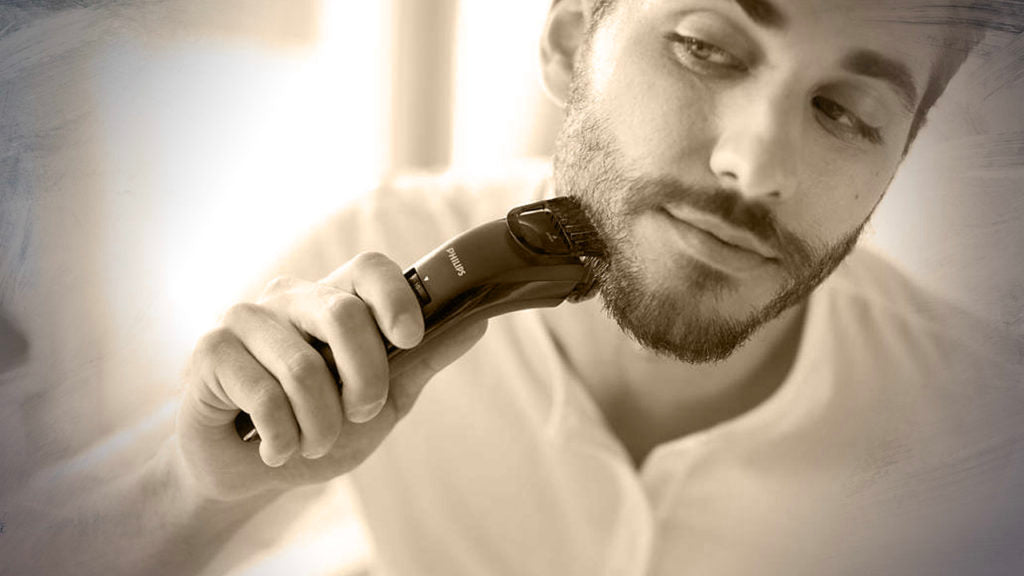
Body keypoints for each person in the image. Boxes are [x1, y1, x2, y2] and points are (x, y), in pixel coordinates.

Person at [8, 0, 1023, 574]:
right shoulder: (375, 249)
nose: (753, 165)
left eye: (847, 113)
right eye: (706, 46)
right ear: (568, 41)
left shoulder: (989, 457)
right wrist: (200, 485)